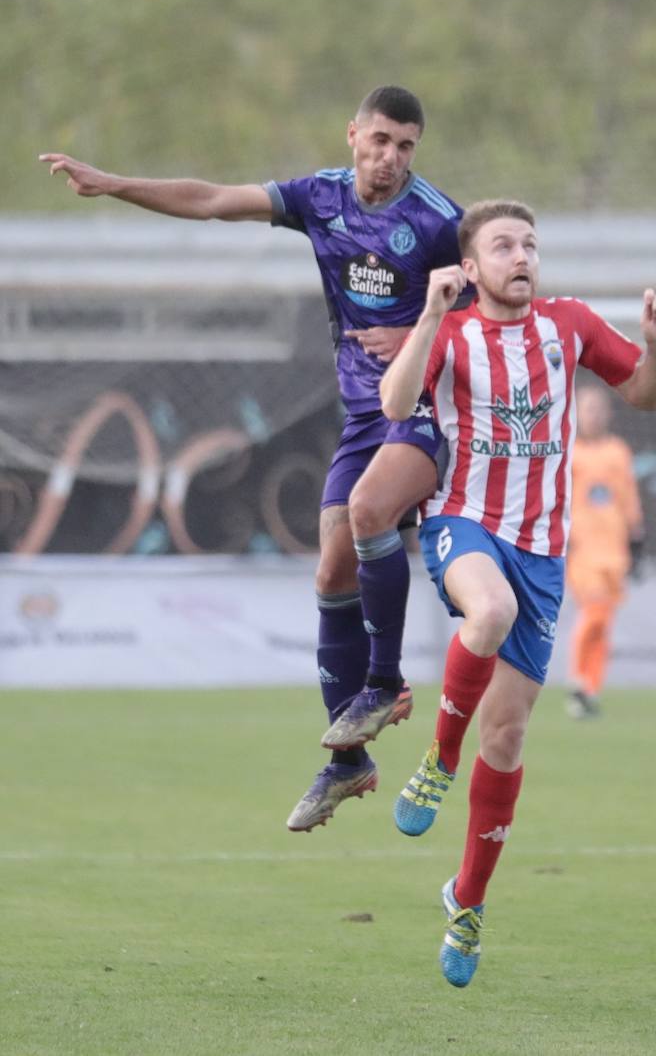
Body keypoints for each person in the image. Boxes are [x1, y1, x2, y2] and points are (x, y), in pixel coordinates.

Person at [41, 85, 467, 831]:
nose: (390, 158)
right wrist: (113, 184)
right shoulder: (319, 199)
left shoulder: (439, 221)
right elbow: (212, 199)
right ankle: (347, 763)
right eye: (379, 141)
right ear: (353, 134)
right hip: (362, 420)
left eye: (405, 146)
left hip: (424, 411)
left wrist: (422, 333)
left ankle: (385, 683)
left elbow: (503, 306)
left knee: (368, 513)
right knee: (330, 572)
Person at [379, 199, 656, 987]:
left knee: (507, 740)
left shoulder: (568, 324)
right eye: (503, 245)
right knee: (490, 611)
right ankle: (438, 759)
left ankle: (467, 901)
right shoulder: (450, 331)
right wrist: (427, 316)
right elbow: (395, 404)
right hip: (463, 520)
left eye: (530, 245)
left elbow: (645, 394)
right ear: (470, 266)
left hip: (543, 553)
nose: (521, 256)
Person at [563, 383, 645, 720]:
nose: (593, 415)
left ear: (608, 413)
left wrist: (637, 543)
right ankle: (577, 680)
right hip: (584, 551)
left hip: (616, 551)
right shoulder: (569, 452)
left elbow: (628, 498)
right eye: (587, 409)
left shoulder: (618, 451)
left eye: (598, 409)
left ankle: (589, 690)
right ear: (577, 414)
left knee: (603, 623)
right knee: (594, 611)